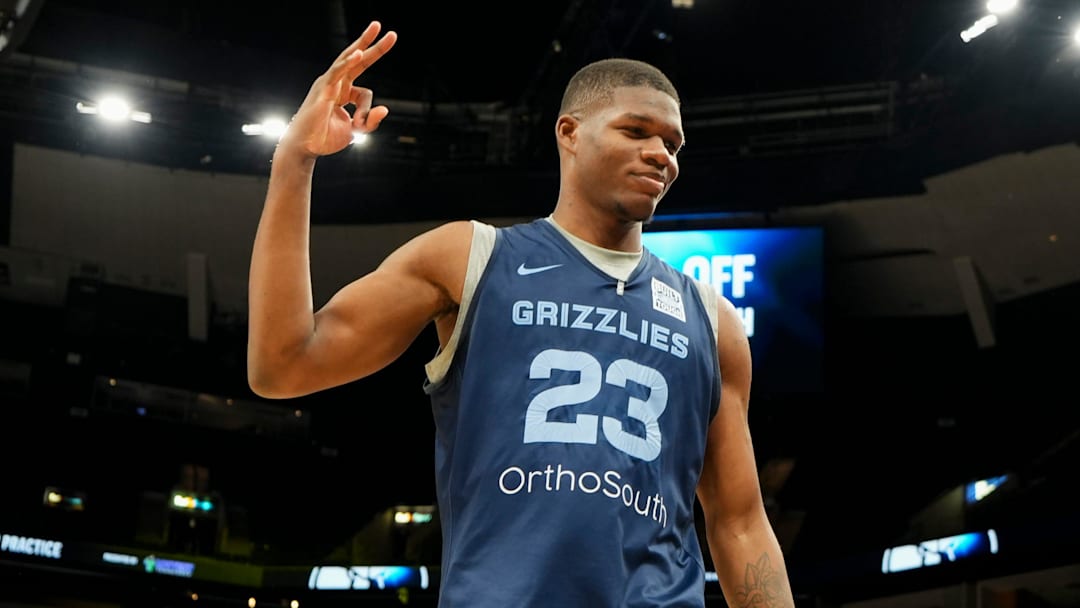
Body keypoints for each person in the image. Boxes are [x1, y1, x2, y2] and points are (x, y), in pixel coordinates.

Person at [247, 19, 796, 608]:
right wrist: (294, 161)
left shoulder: (712, 321)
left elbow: (739, 524)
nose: (660, 155)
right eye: (636, 131)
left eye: (672, 144)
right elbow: (283, 366)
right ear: (570, 133)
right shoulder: (470, 258)